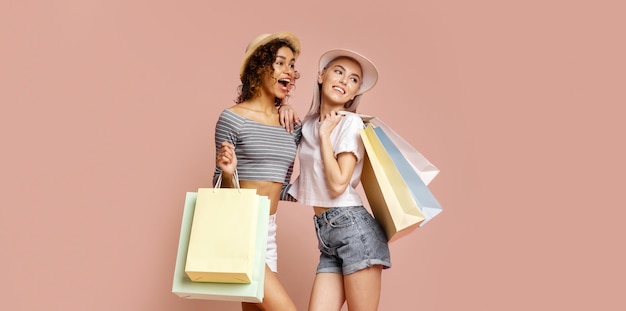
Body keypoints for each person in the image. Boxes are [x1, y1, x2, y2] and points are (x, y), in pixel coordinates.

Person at [286, 49, 391, 311]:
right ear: (321, 76)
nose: (344, 81)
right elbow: (305, 184)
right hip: (327, 237)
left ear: (355, 94)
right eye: (339, 72)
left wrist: (325, 136)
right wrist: (283, 107)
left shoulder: (351, 124)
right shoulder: (308, 124)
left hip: (355, 232)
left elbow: (337, 184)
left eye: (353, 80)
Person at [214, 32, 301, 311]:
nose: (289, 70)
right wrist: (227, 172)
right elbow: (220, 192)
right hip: (241, 225)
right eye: (281, 63)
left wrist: (286, 108)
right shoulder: (232, 118)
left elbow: (286, 184)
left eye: (292, 64)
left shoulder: (291, 125)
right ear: (260, 67)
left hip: (269, 230)